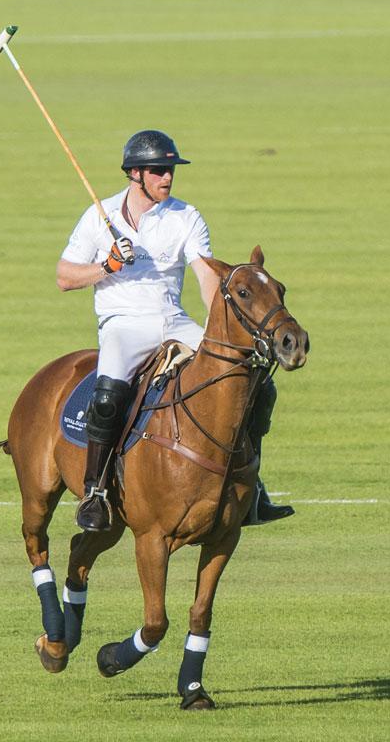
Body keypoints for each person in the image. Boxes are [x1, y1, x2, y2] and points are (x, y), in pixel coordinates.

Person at [57, 129, 293, 532]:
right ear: (134, 173)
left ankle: (253, 486)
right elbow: (65, 276)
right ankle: (95, 492)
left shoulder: (186, 216)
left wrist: (219, 327)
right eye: (158, 171)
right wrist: (107, 267)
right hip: (123, 324)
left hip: (172, 319)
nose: (167, 177)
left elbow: (204, 276)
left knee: (256, 383)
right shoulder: (100, 217)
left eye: (170, 170)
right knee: (109, 394)